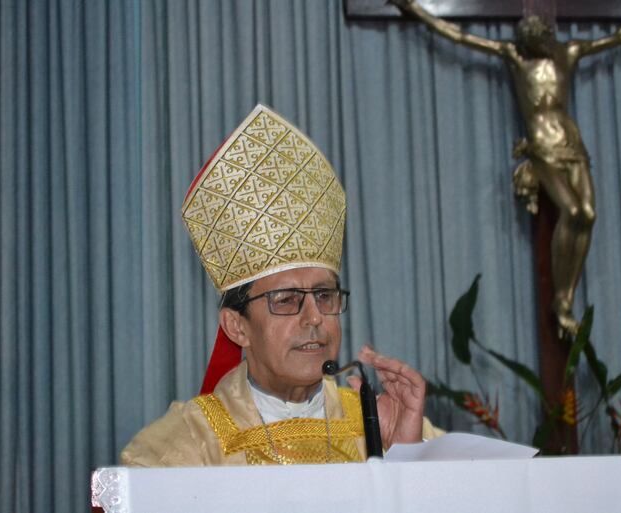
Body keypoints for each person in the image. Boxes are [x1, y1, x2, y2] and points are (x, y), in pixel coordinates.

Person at [121, 104, 442, 466]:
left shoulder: (386, 426)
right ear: (237, 326)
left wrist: (405, 461)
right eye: (286, 300)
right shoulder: (183, 447)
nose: (314, 318)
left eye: (324, 295)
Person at [392, 0, 621, 335]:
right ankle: (562, 300)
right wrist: (417, 10)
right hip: (542, 149)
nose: (536, 45)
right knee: (572, 211)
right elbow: (460, 37)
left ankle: (565, 296)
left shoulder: (569, 53)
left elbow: (619, 37)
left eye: (539, 38)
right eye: (529, 41)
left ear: (546, 35)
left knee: (588, 213)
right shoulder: (517, 60)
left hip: (572, 144)